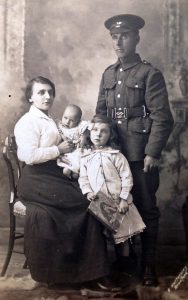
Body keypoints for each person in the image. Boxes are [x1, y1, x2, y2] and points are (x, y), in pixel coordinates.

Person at [96, 14, 174, 286]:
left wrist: (152, 152)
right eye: (114, 36)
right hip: (112, 156)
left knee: (146, 209)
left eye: (125, 35)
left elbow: (163, 117)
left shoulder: (149, 74)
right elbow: (100, 115)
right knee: (114, 209)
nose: (118, 41)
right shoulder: (107, 74)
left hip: (140, 156)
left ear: (136, 38)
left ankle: (149, 267)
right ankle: (124, 264)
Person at [14, 76, 109, 286]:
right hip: (35, 179)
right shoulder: (27, 122)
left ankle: (89, 271)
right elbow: (28, 156)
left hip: (53, 175)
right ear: (30, 97)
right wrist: (59, 149)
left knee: (91, 199)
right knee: (86, 202)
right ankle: (76, 272)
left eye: (50, 92)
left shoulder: (50, 120)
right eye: (41, 92)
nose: (47, 96)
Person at [78, 114, 146, 245]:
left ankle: (125, 262)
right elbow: (83, 178)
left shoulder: (116, 156)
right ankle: (105, 262)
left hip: (119, 202)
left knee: (123, 236)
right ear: (89, 132)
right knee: (101, 237)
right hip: (100, 203)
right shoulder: (86, 157)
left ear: (110, 135)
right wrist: (88, 192)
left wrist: (124, 199)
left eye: (104, 131)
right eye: (95, 130)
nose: (98, 134)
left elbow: (127, 177)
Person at [57, 104, 89, 178]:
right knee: (66, 159)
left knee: (79, 158)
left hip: (77, 149)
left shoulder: (79, 126)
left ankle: (76, 172)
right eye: (65, 118)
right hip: (67, 150)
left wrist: (83, 137)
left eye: (71, 120)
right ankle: (68, 170)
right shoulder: (60, 126)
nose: (67, 122)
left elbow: (87, 128)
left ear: (78, 122)